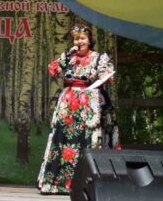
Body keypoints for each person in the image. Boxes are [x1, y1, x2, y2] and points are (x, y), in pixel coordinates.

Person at [37, 24, 119, 195]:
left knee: (88, 139)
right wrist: (68, 55)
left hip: (90, 103)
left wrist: (103, 75)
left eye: (82, 38)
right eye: (76, 39)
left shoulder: (98, 57)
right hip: (68, 104)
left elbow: (108, 74)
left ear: (90, 40)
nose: (79, 41)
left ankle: (90, 184)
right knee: (63, 139)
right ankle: (59, 184)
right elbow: (53, 70)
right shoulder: (69, 57)